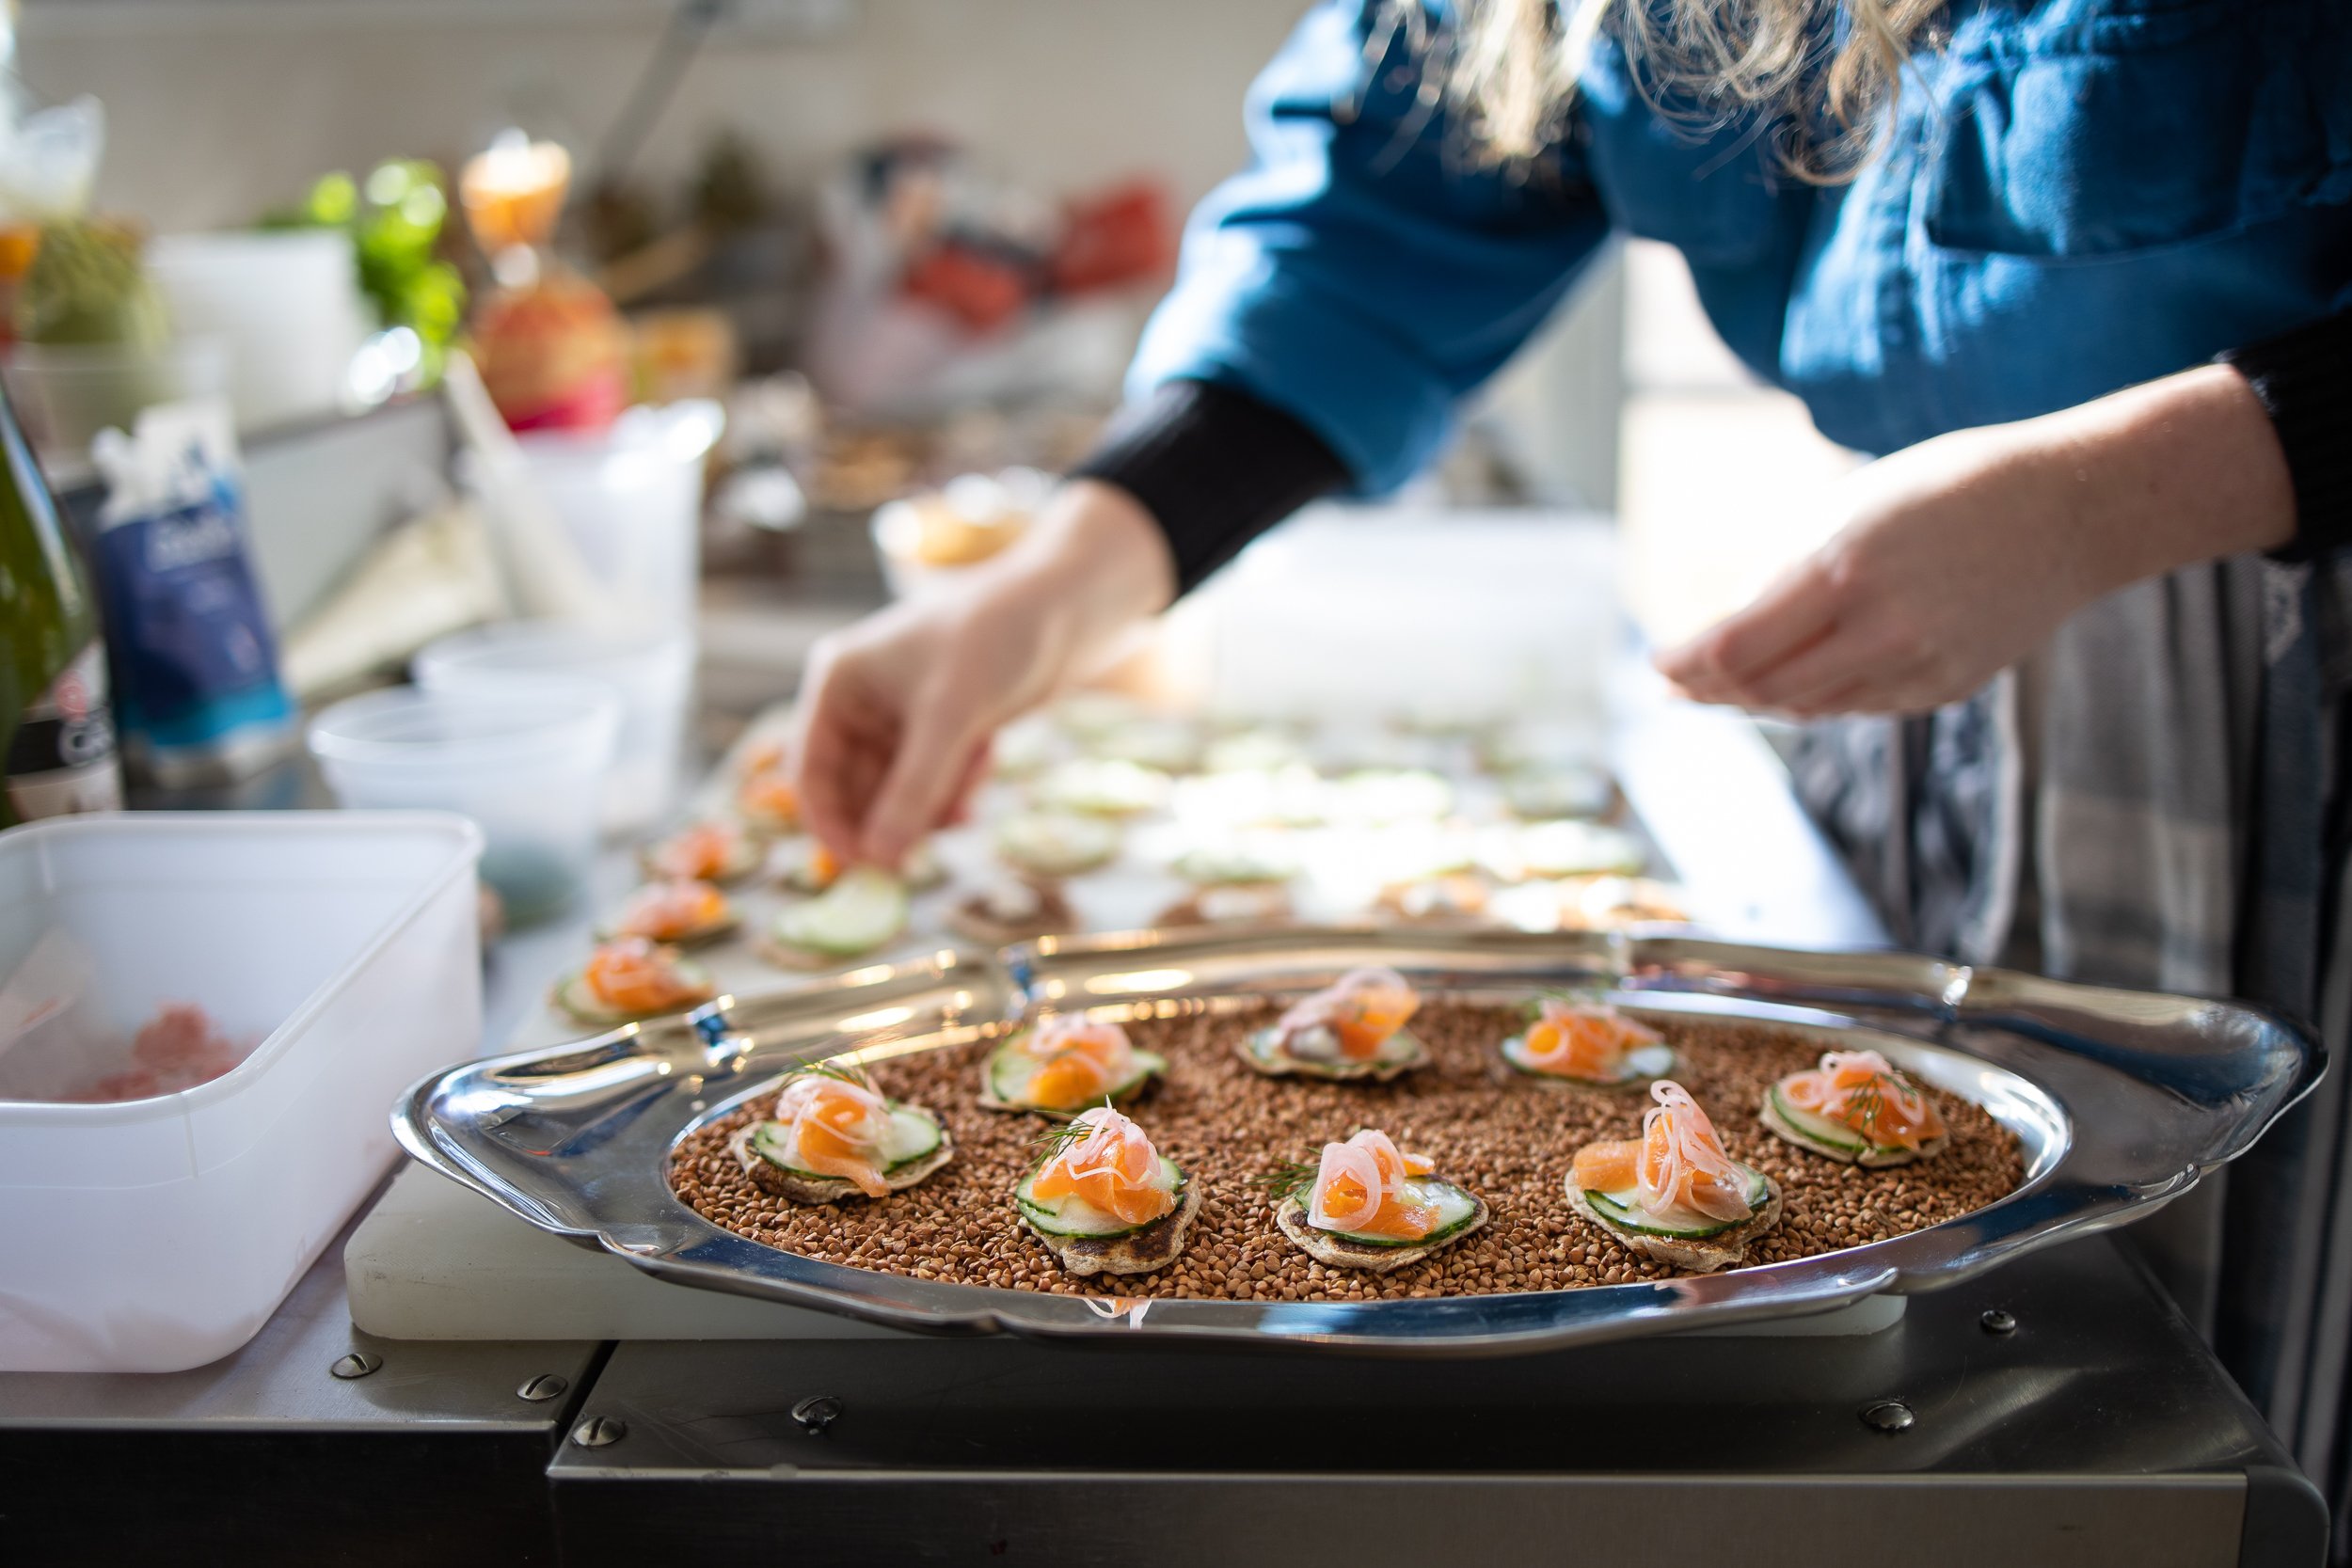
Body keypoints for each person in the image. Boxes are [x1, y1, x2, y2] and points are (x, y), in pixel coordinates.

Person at [789, 0, 2350, 1513]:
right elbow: (1393, 190)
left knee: (2237, 1401)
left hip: (2298, 637)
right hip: (1946, 642)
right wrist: (1049, 584)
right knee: (1969, 1355)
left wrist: (2126, 494)